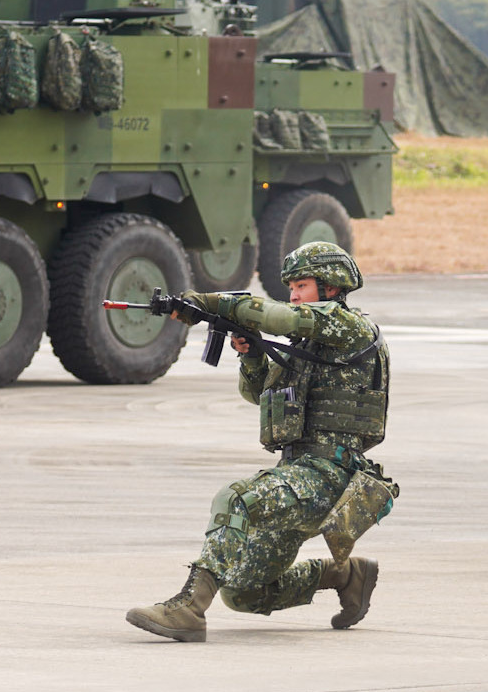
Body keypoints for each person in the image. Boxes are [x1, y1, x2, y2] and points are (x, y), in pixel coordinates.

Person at [125, 242, 395, 642]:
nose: (294, 295)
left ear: (332, 286)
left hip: (330, 475)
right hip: (299, 473)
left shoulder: (350, 328)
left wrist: (208, 302)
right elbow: (262, 395)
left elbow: (275, 316)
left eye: (302, 285)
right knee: (244, 593)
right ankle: (344, 574)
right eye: (292, 287)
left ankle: (188, 608)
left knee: (235, 498)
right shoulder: (311, 346)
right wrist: (250, 356)